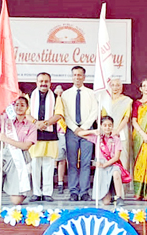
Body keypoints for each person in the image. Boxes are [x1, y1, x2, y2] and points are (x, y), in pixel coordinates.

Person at [0, 97, 37, 205]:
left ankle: (12, 185)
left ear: (27, 108)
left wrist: (7, 139)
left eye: (22, 105)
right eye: (16, 105)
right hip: (6, 153)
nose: (19, 107)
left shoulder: (31, 126)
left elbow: (26, 146)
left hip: (21, 157)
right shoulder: (6, 121)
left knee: (16, 201)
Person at [58, 66, 99, 201]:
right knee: (72, 162)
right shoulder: (65, 94)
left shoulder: (92, 93)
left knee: (86, 162)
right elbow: (65, 114)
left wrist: (84, 129)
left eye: (80, 75)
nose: (77, 77)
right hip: (71, 131)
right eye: (75, 75)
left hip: (88, 131)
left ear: (84, 77)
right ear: (72, 77)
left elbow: (95, 111)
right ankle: (74, 191)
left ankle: (85, 191)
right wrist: (76, 129)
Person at [76, 116, 131, 206]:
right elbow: (80, 133)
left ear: (112, 126)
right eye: (104, 125)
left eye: (109, 125)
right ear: (101, 126)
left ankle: (119, 197)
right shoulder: (98, 138)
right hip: (101, 163)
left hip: (112, 163)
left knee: (116, 173)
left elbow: (116, 157)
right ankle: (110, 194)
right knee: (105, 202)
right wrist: (93, 131)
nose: (107, 127)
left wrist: (104, 165)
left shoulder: (116, 139)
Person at [27, 72, 63, 203]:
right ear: (36, 82)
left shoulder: (56, 97)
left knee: (48, 164)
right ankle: (36, 192)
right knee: (35, 164)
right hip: (34, 134)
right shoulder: (30, 96)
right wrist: (36, 123)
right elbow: (26, 114)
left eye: (46, 81)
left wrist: (46, 123)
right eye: (41, 81)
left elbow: (59, 114)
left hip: (50, 135)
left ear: (50, 83)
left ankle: (47, 193)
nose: (43, 83)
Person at [104, 78, 133, 171]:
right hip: (107, 131)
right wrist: (108, 130)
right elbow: (103, 117)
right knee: (107, 155)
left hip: (121, 131)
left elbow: (126, 117)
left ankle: (122, 183)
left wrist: (117, 131)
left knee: (122, 155)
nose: (115, 87)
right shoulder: (105, 101)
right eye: (113, 85)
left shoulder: (127, 100)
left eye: (118, 85)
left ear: (121, 87)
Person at [53, 85, 68, 194]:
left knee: (66, 159)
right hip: (55, 134)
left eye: (61, 93)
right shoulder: (52, 104)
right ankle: (58, 181)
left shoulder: (67, 104)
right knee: (57, 158)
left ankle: (63, 182)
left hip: (67, 133)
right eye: (57, 93)